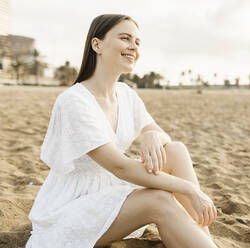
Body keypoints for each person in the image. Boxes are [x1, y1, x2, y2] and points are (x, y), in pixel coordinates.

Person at [25, 14, 218, 248]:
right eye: (125, 38)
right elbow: (120, 167)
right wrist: (189, 190)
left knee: (176, 150)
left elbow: (158, 132)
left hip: (109, 191)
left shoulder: (125, 93)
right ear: (97, 45)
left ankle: (204, 240)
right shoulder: (74, 101)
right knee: (158, 199)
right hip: (70, 207)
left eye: (137, 42)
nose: (133, 47)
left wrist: (151, 134)